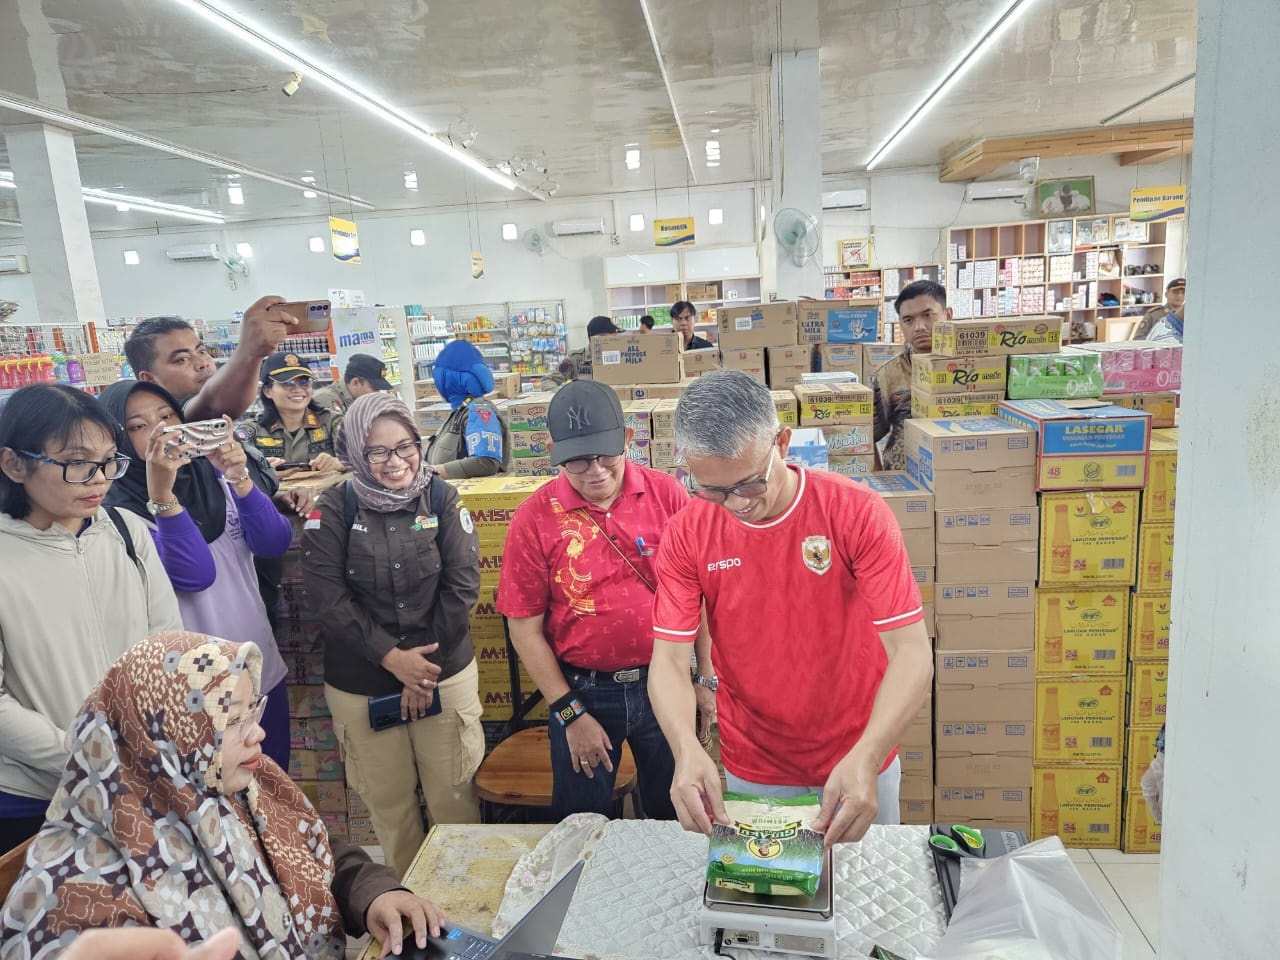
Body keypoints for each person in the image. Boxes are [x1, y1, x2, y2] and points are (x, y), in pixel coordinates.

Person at [0, 631, 445, 958]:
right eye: (232, 720)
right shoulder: (75, 898)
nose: (258, 734)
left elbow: (317, 851)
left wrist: (375, 895)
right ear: (163, 736)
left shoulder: (228, 785)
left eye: (254, 710)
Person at [647, 371, 933, 845]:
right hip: (755, 764)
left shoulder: (854, 512)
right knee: (770, 900)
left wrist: (868, 754)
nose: (734, 505)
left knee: (863, 896)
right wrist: (686, 749)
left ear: (781, 442)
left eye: (748, 485)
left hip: (858, 753)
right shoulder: (688, 533)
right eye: (712, 491)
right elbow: (670, 659)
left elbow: (910, 652)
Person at [497, 380, 711, 821]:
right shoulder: (534, 518)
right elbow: (523, 627)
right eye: (577, 460)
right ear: (555, 452)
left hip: (665, 680)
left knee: (677, 814)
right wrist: (570, 713)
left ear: (628, 440)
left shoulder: (668, 495)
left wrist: (705, 679)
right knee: (582, 823)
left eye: (606, 455)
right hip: (582, 690)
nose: (595, 470)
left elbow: (701, 596)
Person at [302, 392, 484, 878]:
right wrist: (390, 658)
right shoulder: (334, 509)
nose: (396, 461)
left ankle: (464, 912)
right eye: (378, 452)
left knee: (456, 801)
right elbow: (327, 597)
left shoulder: (443, 498)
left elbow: (462, 587)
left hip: (442, 674)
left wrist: (419, 672)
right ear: (357, 454)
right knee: (391, 808)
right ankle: (410, 919)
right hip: (362, 683)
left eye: (405, 446)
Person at [0, 383, 181, 852]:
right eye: (77, 463)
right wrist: (89, 759)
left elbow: (165, 647)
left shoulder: (126, 530)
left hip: (137, 781)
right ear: (14, 464)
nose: (99, 479)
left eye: (108, 461)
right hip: (33, 799)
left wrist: (144, 751)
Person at [99, 380, 294, 769]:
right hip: (194, 695)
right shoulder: (120, 517)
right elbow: (195, 575)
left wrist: (240, 476)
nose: (160, 432)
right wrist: (162, 495)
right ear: (116, 442)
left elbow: (274, 542)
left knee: (275, 792)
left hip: (259, 672)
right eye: (138, 426)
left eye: (168, 417)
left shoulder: (216, 483)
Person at [124, 298, 300, 423]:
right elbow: (212, 406)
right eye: (181, 360)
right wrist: (250, 352)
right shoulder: (174, 424)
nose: (202, 363)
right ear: (149, 379)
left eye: (202, 351)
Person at [872, 280, 950, 470]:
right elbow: (868, 435)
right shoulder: (889, 374)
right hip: (904, 479)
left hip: (958, 475)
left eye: (928, 315)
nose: (919, 327)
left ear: (948, 315)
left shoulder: (973, 368)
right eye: (908, 320)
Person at [238, 351, 344, 472]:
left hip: (325, 490)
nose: (298, 389)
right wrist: (260, 473)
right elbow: (235, 472)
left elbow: (361, 461)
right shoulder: (252, 431)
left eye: (304, 382)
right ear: (268, 391)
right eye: (288, 383)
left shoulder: (332, 421)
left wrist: (339, 463)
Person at [424, 339, 510, 479]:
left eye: (438, 377)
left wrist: (431, 472)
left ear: (450, 379)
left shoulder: (478, 411)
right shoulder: (461, 411)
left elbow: (485, 462)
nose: (436, 384)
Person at [314, 352, 393, 415]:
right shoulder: (326, 400)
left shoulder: (358, 399)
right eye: (374, 388)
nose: (377, 393)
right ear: (355, 383)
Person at [564, 315, 620, 381]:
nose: (613, 342)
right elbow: (551, 380)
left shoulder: (618, 358)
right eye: (609, 338)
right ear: (596, 338)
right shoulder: (575, 359)